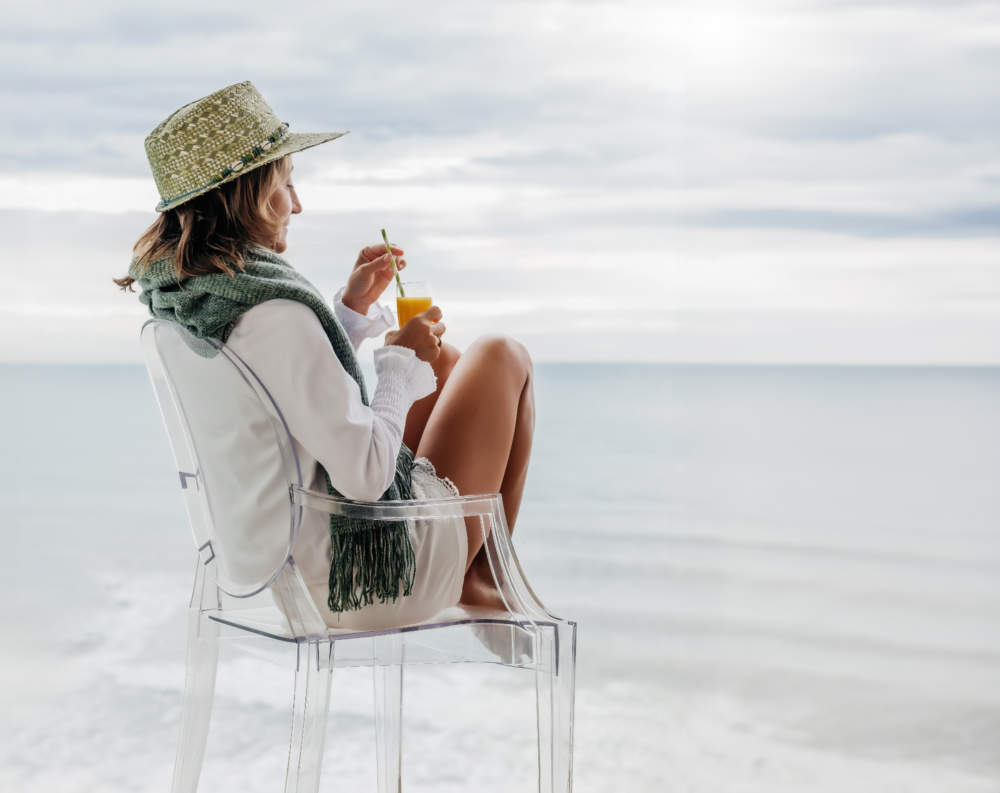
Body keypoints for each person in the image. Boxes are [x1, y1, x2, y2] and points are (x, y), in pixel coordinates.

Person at [114, 81, 535, 630]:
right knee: (502, 355)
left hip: (278, 566)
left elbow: (284, 388)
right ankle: (482, 579)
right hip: (363, 578)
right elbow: (365, 477)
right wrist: (397, 365)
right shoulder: (275, 312)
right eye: (287, 183)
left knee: (448, 362)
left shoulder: (201, 300)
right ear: (254, 192)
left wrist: (351, 314)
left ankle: (480, 577)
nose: (297, 203)